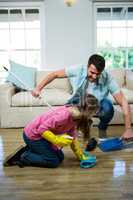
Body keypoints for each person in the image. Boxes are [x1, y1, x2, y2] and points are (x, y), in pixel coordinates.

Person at [32, 54, 133, 140]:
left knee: (108, 108)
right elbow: (54, 74)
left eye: (98, 74)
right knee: (70, 109)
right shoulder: (79, 69)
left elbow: (123, 102)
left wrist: (128, 129)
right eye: (92, 73)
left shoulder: (108, 78)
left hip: (98, 105)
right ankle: (82, 124)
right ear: (87, 66)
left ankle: (102, 127)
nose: (94, 77)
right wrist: (38, 88)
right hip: (79, 101)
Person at [4, 93, 99, 168]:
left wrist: (79, 154)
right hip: (33, 136)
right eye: (93, 113)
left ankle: (32, 149)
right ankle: (24, 156)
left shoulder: (77, 117)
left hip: (44, 136)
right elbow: (41, 129)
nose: (93, 115)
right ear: (86, 111)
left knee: (60, 157)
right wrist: (56, 140)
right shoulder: (63, 116)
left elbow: (72, 135)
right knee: (53, 161)